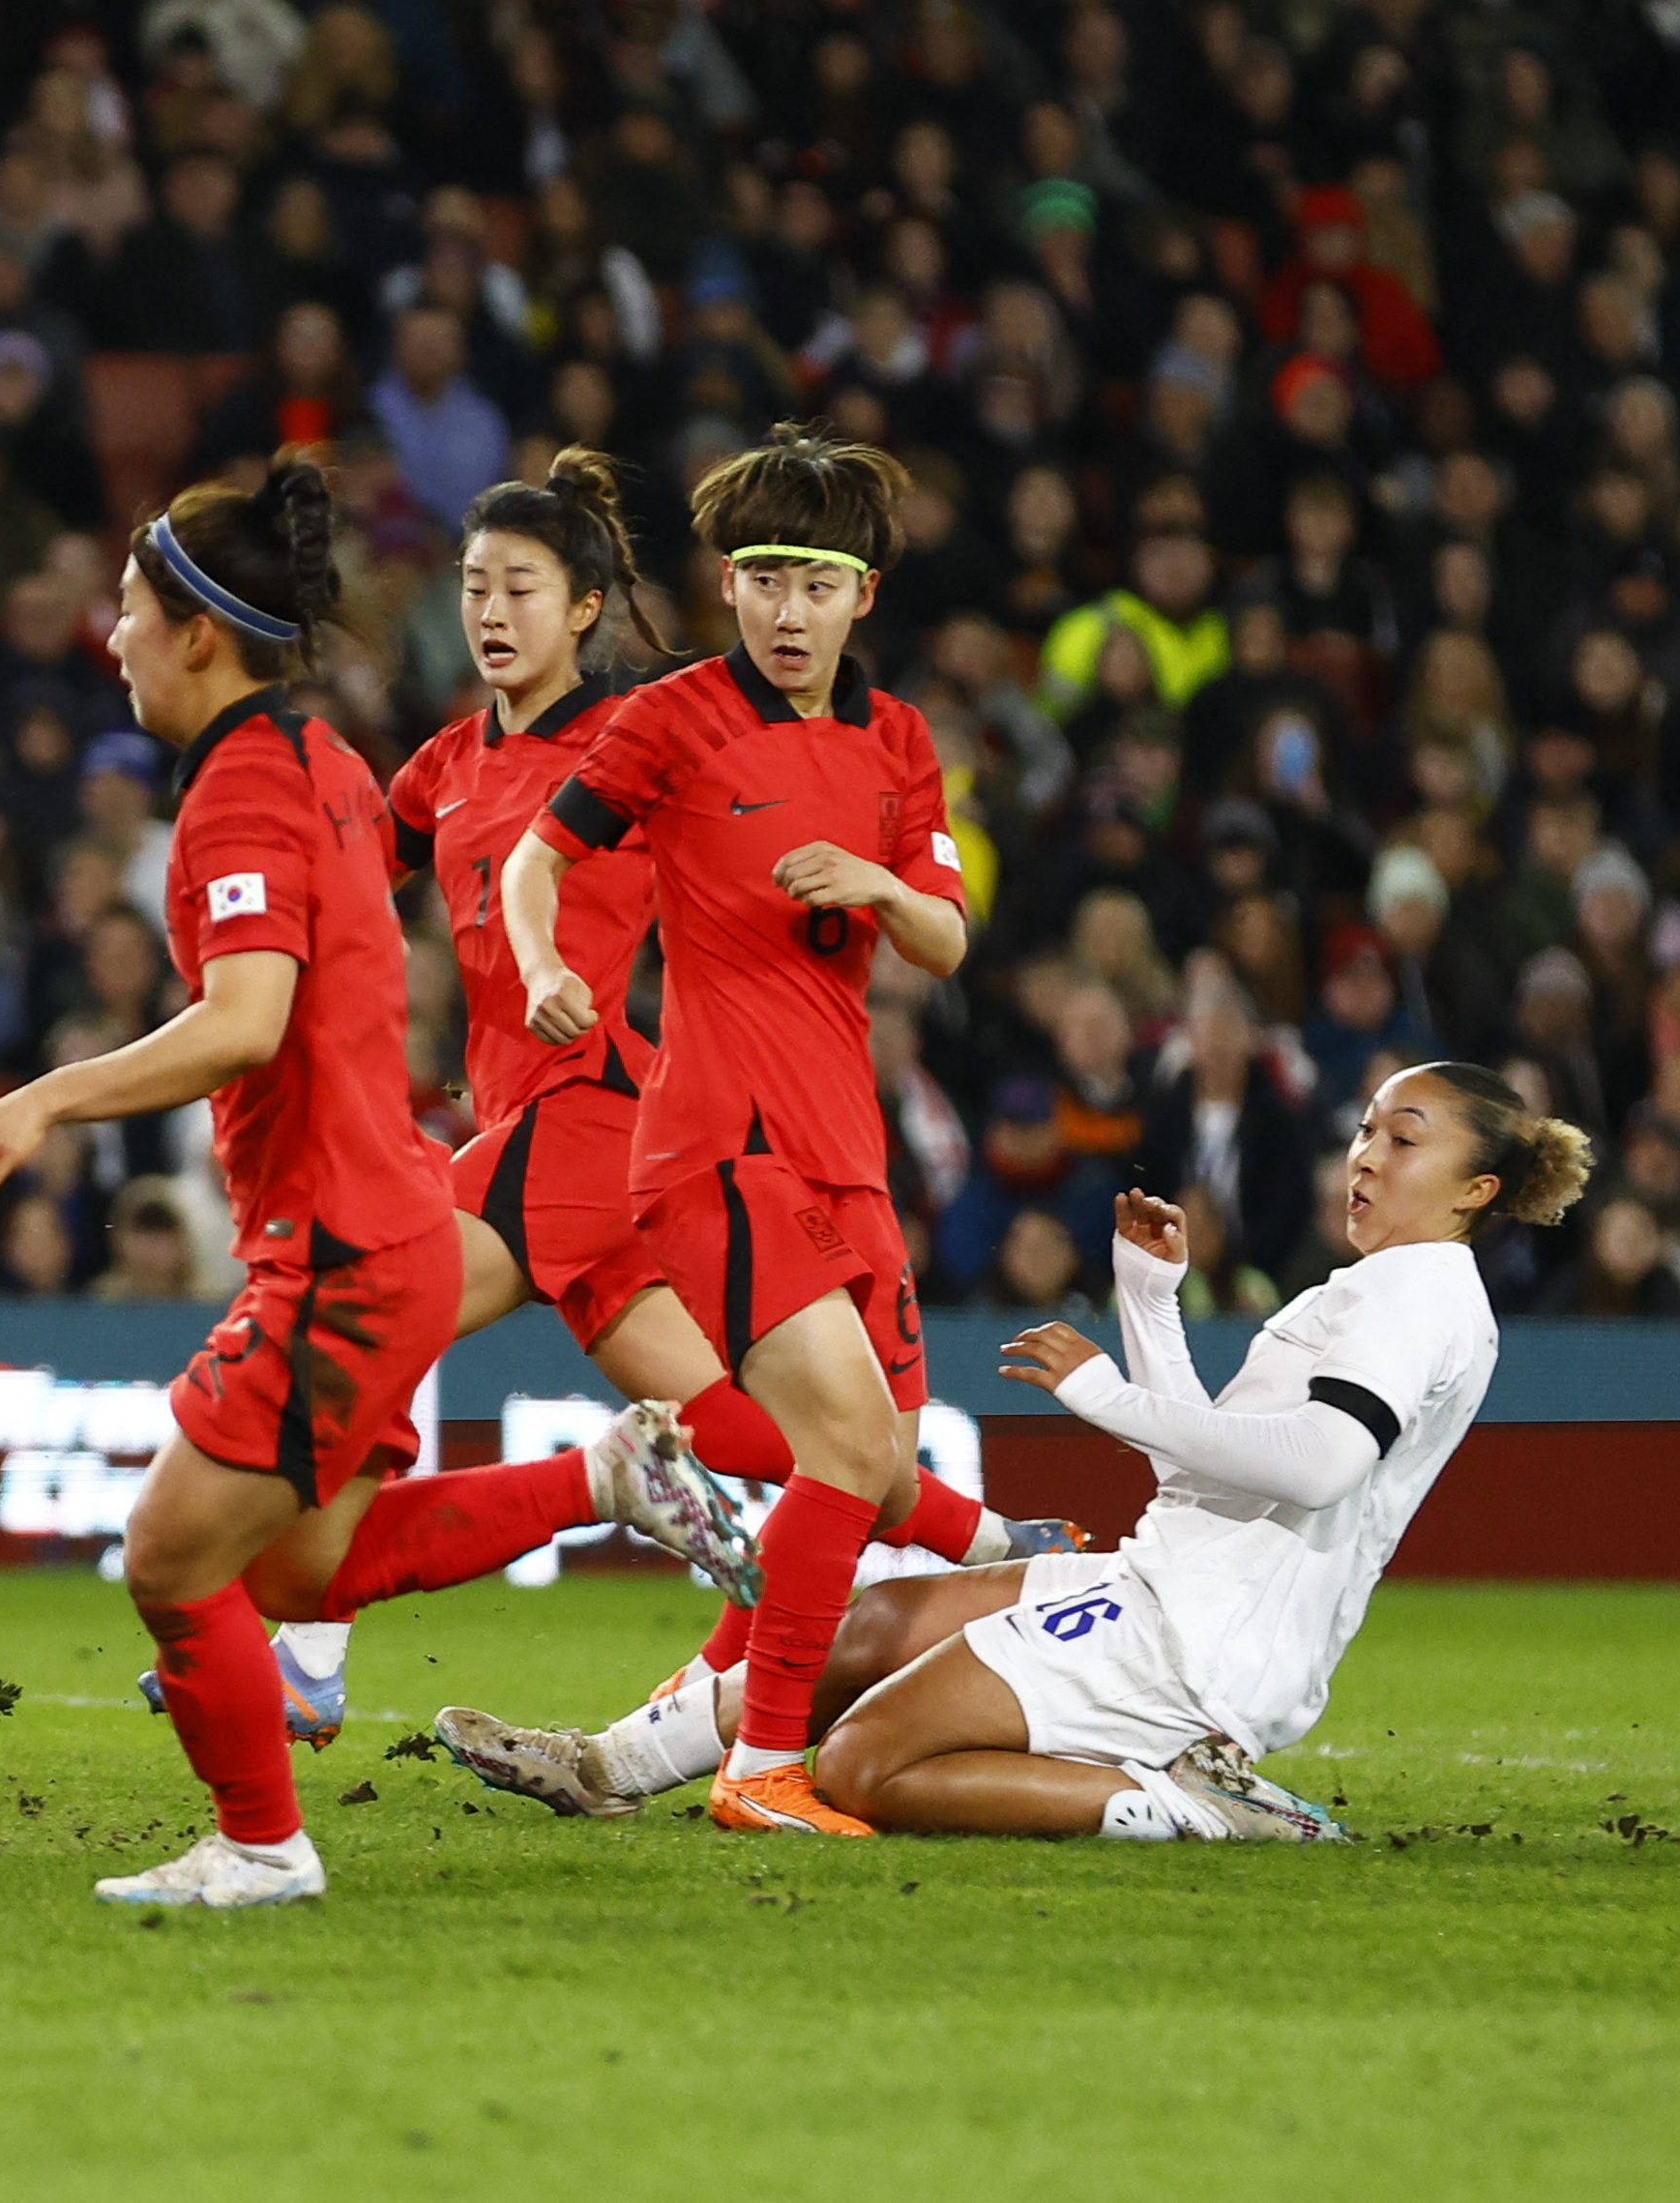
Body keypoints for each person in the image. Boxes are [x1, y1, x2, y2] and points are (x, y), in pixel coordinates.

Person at [229, 451, 1070, 1751]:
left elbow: (579, 856)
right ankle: (973, 1541)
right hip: (551, 1138)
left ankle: (306, 1642)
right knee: (760, 1435)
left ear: (584, 608)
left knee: (358, 1310)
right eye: (471, 587)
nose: (490, 612)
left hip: (590, 1112)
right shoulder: (446, 763)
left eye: (521, 586)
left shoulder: (633, 734)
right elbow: (347, 879)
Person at [0, 453, 604, 1911]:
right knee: (301, 1568)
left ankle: (257, 1842)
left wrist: (41, 1097)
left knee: (171, 1561)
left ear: (196, 632)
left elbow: (245, 1020)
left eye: (124, 607)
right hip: (399, 1211)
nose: (106, 635)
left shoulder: (236, 790)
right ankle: (607, 1471)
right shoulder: (331, 762)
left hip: (345, 1244)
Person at [493, 424, 972, 1835]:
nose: (781, 609)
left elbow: (943, 939)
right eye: (758, 577)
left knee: (871, 1471)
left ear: (859, 598)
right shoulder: (671, 717)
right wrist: (541, 968)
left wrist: (878, 887)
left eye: (810, 583)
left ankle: (650, 1750)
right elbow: (537, 855)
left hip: (845, 1151)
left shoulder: (896, 740)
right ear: (726, 586)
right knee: (843, 1448)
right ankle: (762, 1768)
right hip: (716, 1138)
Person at [800, 1072, 1587, 1837]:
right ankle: (721, 1754)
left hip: (1196, 1635)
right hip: (1174, 1587)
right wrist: (1147, 1300)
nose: (1367, 1154)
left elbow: (1320, 1465)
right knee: (879, 1622)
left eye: (1404, 1137)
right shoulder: (1377, 1286)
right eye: (1365, 1129)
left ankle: (1187, 1802)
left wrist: (1109, 1396)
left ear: (1474, 1190)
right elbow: (1198, 1476)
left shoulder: (1415, 1293)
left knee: (858, 1764)